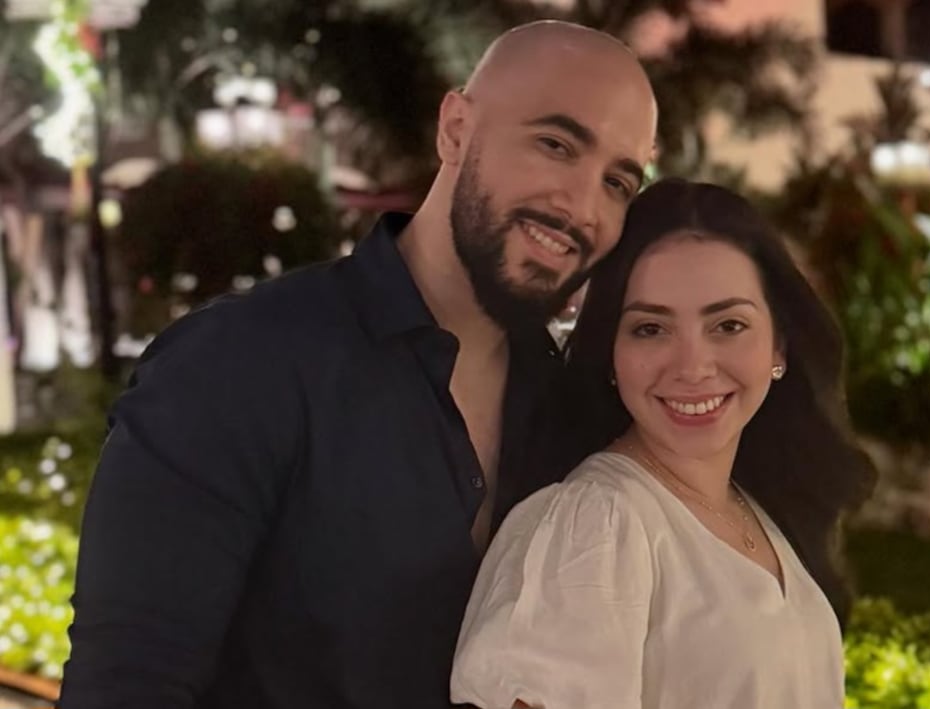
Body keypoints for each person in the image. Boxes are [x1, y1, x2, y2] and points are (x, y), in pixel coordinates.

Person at [59, 21, 657, 709]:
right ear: (456, 130)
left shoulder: (571, 409)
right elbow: (127, 684)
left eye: (618, 181)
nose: (582, 206)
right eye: (555, 144)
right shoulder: (240, 363)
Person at [450, 178, 876, 709]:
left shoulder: (757, 507)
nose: (692, 367)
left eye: (728, 325)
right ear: (611, 353)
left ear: (779, 347)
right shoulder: (598, 526)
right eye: (651, 329)